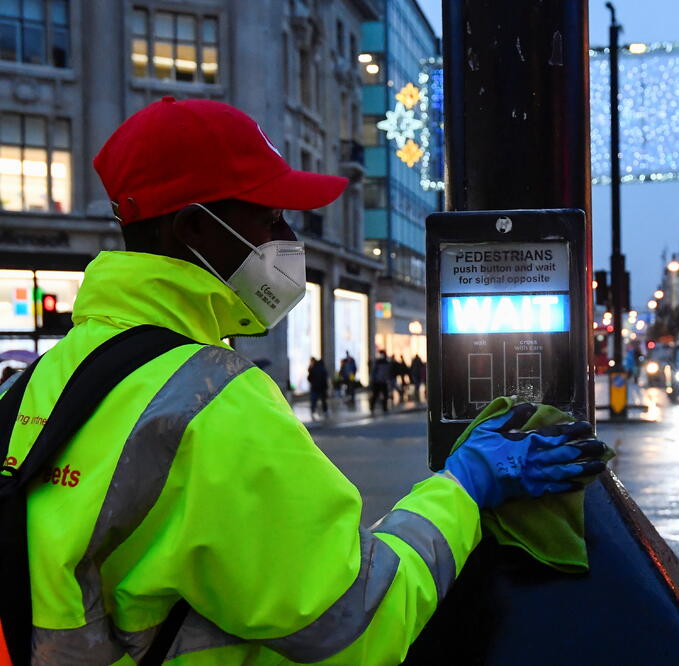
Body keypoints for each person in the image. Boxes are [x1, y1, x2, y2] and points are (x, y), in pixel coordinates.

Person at [0, 97, 612, 664]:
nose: (288, 241)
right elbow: (359, 621)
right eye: (269, 218)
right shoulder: (212, 403)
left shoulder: (32, 386)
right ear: (193, 229)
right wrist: (465, 487)